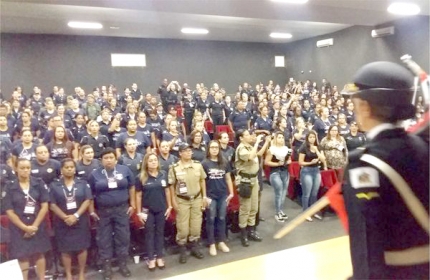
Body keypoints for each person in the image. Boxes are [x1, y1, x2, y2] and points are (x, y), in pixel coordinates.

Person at [342, 61, 429, 279]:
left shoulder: (366, 162)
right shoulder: (423, 146)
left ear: (364, 107)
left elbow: (366, 243)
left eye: (355, 104)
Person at [88, 148, 136, 280]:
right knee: (104, 240)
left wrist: (133, 204)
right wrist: (91, 210)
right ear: (101, 160)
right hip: (103, 212)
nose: (108, 160)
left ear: (115, 159)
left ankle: (123, 265)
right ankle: (107, 268)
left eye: (111, 157)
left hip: (122, 210)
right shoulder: (95, 174)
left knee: (123, 238)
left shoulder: (124, 170)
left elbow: (131, 186)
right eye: (106, 158)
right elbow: (90, 194)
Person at [3, 159, 51, 280]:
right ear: (16, 169)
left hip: (37, 224)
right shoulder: (9, 186)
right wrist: (25, 228)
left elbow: (44, 206)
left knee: (39, 253)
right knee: (22, 255)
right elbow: (9, 211)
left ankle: (42, 278)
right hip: (19, 227)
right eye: (22, 168)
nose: (25, 170)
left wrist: (34, 226)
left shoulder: (39, 183)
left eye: (28, 168)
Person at [49, 159, 92, 280]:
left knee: (81, 247)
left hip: (80, 219)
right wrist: (65, 217)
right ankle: (68, 274)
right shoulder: (54, 185)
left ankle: (81, 273)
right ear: (62, 170)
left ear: (75, 169)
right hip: (62, 221)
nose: (69, 169)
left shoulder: (82, 183)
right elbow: (52, 204)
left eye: (72, 167)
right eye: (66, 167)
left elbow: (87, 200)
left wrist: (76, 216)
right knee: (65, 248)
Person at [168, 143, 207, 264]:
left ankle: (194, 247)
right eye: (185, 151)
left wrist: (204, 196)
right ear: (180, 153)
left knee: (196, 226)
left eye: (190, 151)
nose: (189, 153)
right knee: (183, 228)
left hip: (196, 198)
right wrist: (173, 201)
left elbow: (202, 181)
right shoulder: (174, 168)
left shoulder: (197, 165)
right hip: (182, 200)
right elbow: (171, 186)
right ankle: (183, 250)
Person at [135, 153, 172, 270]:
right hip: (147, 211)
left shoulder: (163, 174)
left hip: (161, 209)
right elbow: (138, 196)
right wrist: (139, 212)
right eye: (150, 160)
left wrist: (170, 206)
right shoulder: (141, 177)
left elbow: (167, 192)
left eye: (155, 160)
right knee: (149, 234)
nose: (153, 162)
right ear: (146, 162)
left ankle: (160, 257)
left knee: (160, 233)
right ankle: (151, 259)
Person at [234, 129, 270, 247]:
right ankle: (243, 234)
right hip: (245, 181)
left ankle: (251, 230)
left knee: (254, 207)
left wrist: (265, 143)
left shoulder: (249, 147)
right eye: (247, 135)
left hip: (254, 180)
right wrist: (256, 142)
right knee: (245, 208)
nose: (250, 136)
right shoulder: (241, 148)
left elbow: (258, 154)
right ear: (241, 138)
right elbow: (250, 157)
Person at [202, 140, 234, 256]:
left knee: (221, 218)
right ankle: (211, 243)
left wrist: (231, 193)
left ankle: (221, 241)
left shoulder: (224, 162)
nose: (214, 149)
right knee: (210, 219)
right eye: (212, 147)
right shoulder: (204, 163)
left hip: (222, 195)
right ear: (209, 149)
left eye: (216, 147)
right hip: (211, 196)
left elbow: (228, 178)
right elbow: (202, 182)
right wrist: (204, 196)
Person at [298, 130, 327, 222]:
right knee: (307, 193)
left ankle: (313, 211)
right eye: (310, 137)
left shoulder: (318, 147)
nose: (312, 139)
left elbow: (323, 159)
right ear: (307, 138)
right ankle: (305, 212)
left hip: (316, 170)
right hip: (306, 171)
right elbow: (300, 162)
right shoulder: (303, 147)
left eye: (313, 137)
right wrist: (310, 162)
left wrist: (317, 150)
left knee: (314, 193)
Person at [264, 132, 292, 222]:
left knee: (284, 192)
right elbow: (266, 162)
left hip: (285, 172)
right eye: (279, 137)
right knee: (279, 192)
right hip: (275, 172)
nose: (281, 139)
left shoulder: (286, 149)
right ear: (275, 139)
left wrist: (288, 162)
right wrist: (277, 163)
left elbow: (290, 160)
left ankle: (280, 210)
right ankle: (277, 212)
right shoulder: (271, 149)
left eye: (282, 137)